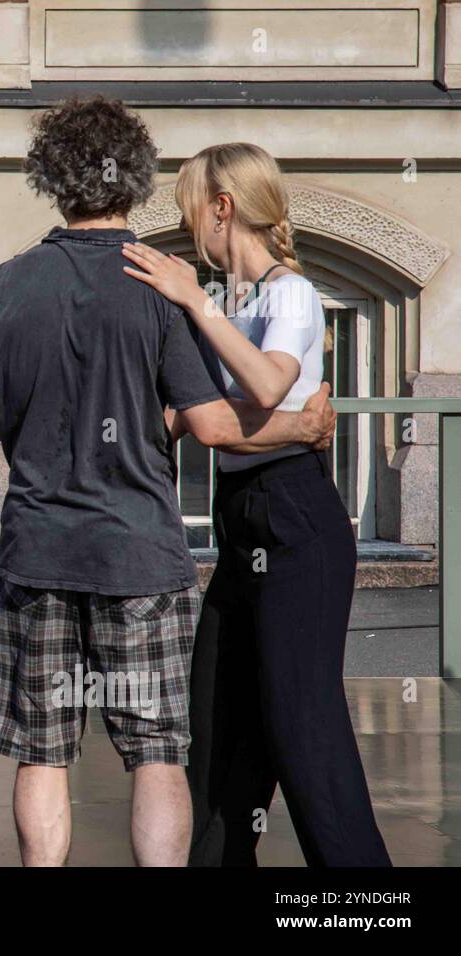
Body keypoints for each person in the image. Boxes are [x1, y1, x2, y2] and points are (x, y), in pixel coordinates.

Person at [0, 96, 338, 866]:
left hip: (37, 552)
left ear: (51, 180)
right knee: (158, 752)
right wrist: (299, 427)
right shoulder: (159, 287)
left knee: (43, 751)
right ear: (131, 183)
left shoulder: (7, 283)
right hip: (139, 556)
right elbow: (210, 425)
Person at [121, 142, 392, 867]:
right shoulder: (229, 303)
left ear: (224, 207)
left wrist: (195, 303)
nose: (187, 227)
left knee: (302, 724)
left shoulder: (289, 293)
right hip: (244, 522)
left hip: (298, 519)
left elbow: (268, 386)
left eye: (190, 209)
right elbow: (193, 422)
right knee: (218, 721)